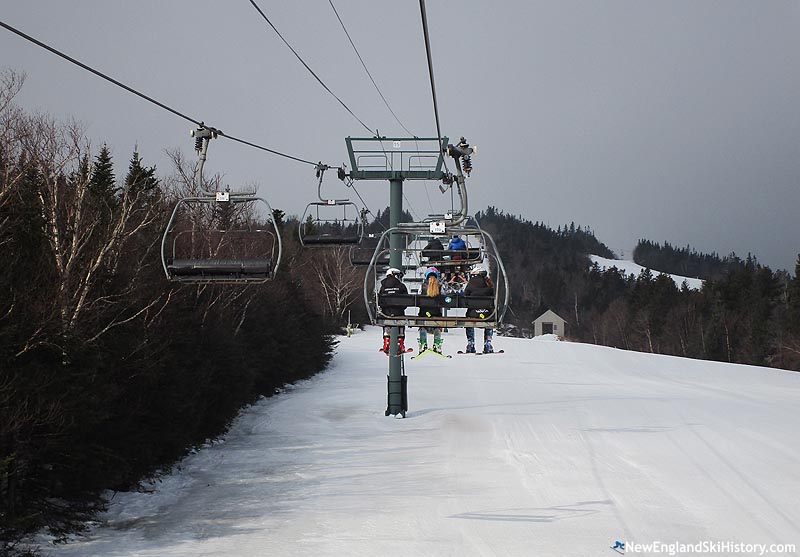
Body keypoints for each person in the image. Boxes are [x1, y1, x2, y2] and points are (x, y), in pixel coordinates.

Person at [463, 265, 495, 353]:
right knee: (489, 322)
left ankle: (470, 343)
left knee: (469, 320)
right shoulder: (489, 284)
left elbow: (465, 297)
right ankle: (487, 344)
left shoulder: (470, 284)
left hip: (473, 313)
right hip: (487, 313)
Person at [378, 267, 408, 354]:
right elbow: (406, 301)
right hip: (399, 313)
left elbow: (380, 301)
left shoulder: (383, 287)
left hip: (386, 313)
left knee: (387, 322)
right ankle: (400, 343)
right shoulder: (401, 286)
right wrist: (401, 308)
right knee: (401, 323)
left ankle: (386, 341)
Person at [418, 267, 443, 353]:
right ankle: (437, 343)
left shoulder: (422, 286)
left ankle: (423, 343)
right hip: (436, 313)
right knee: (437, 326)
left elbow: (418, 300)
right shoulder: (439, 286)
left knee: (422, 326)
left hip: (424, 313)